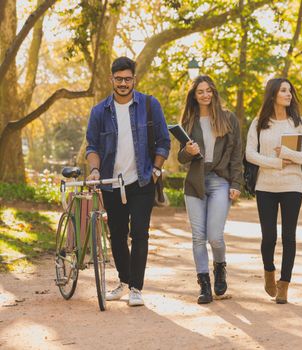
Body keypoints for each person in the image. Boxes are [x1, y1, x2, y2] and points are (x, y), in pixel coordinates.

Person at [86, 56, 171, 306]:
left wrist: (156, 170)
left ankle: (136, 288)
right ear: (111, 79)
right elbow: (93, 146)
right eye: (118, 79)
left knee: (140, 233)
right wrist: (94, 171)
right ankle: (124, 281)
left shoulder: (149, 104)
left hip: (142, 181)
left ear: (135, 79)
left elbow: (164, 141)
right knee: (118, 235)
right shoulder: (99, 111)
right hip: (112, 182)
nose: (123, 83)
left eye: (127, 79)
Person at [245, 78, 302, 304]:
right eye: (284, 90)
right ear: (273, 94)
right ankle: (269, 272)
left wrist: (289, 154)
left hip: (292, 185)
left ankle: (284, 284)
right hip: (265, 185)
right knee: (269, 237)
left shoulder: (299, 123)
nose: (288, 94)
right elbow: (249, 154)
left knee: (288, 236)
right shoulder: (259, 123)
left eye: (290, 91)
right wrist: (275, 162)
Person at [178, 75, 242, 304]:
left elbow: (236, 155)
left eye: (208, 91)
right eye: (200, 92)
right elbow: (180, 158)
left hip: (219, 181)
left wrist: (236, 184)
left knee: (215, 237)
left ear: (214, 93)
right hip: (195, 182)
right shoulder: (188, 122)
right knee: (198, 237)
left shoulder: (228, 119)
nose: (205, 95)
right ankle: (204, 284)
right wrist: (189, 152)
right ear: (194, 96)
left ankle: (220, 266)